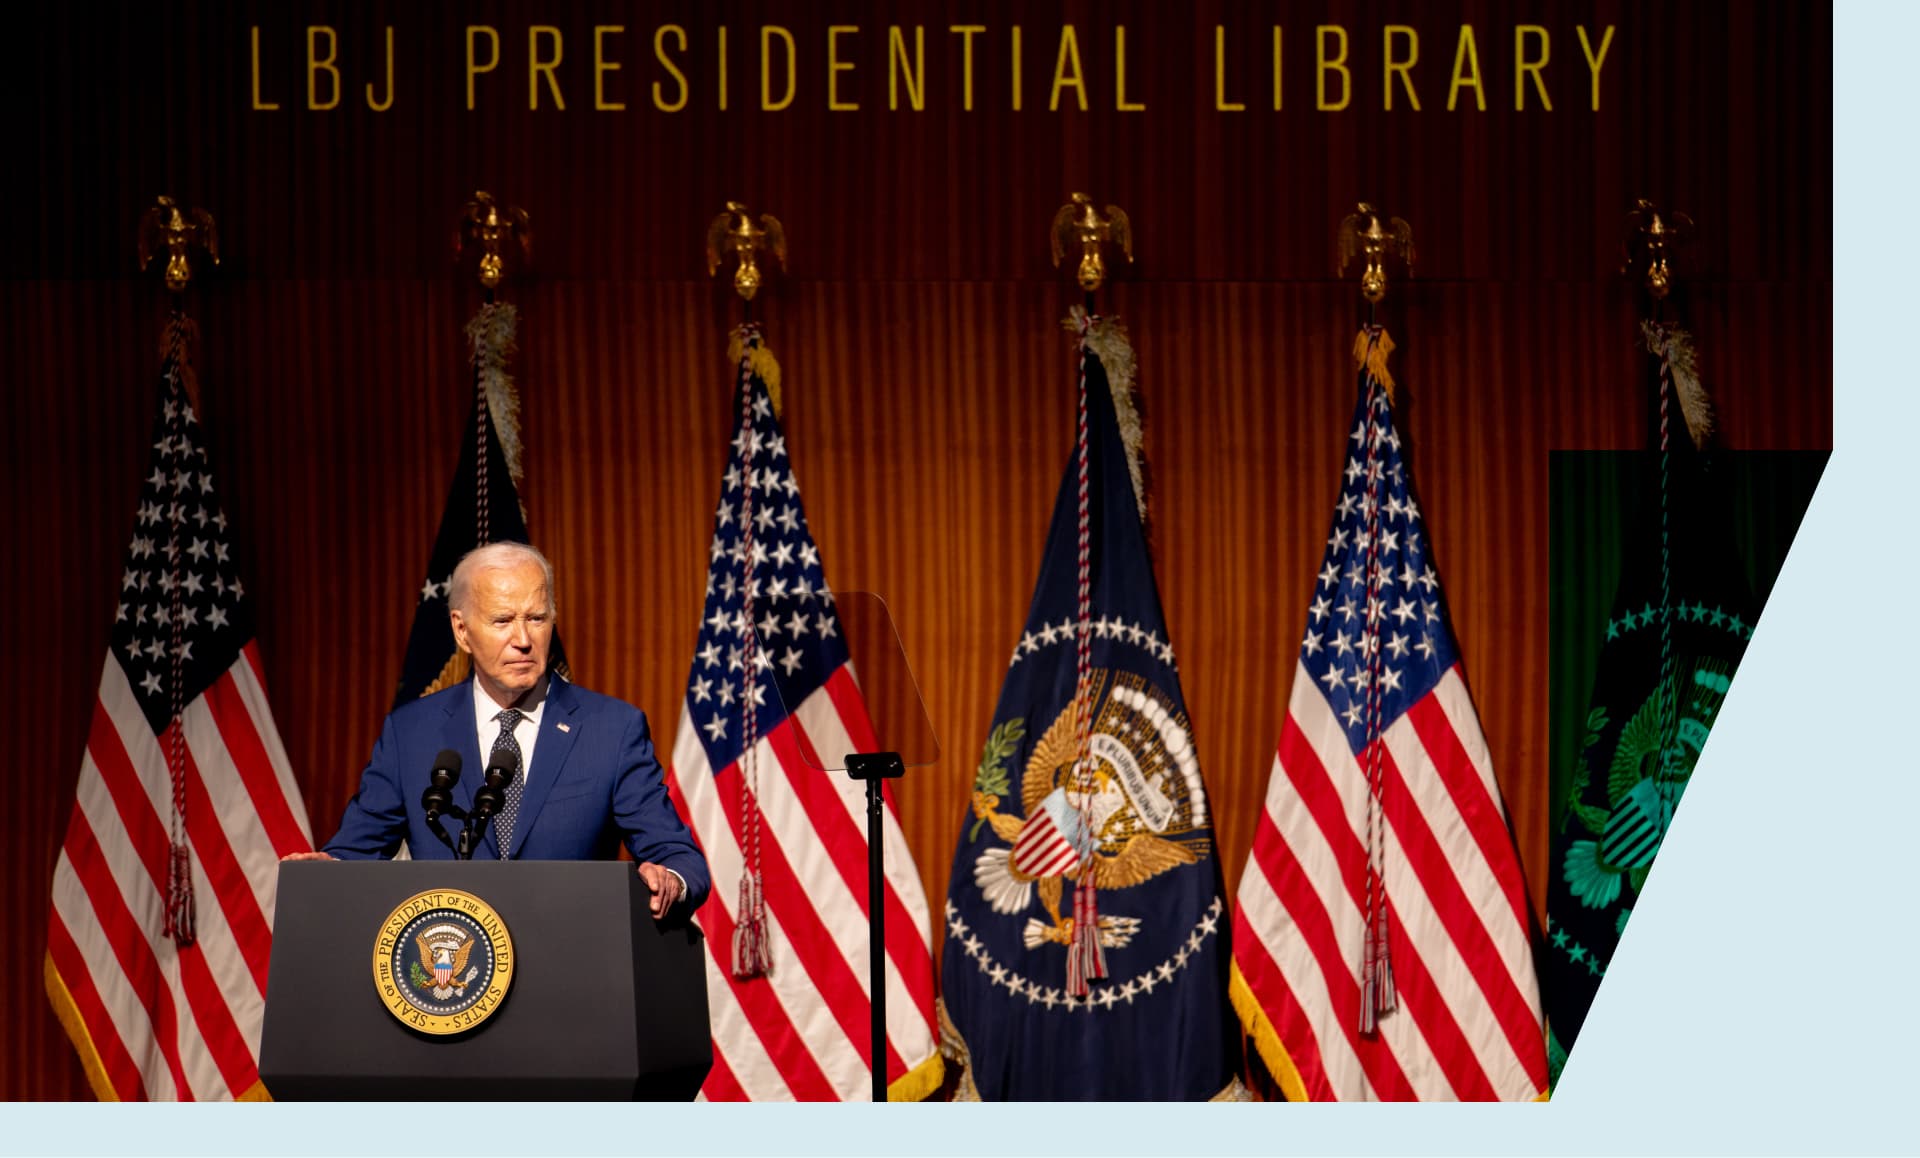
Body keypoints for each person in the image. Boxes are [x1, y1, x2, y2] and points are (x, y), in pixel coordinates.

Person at [285, 541, 708, 919]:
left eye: (537, 618)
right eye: (503, 620)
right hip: (449, 982)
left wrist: (670, 878)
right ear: (462, 630)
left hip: (573, 974)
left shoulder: (611, 729)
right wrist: (330, 873)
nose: (523, 639)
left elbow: (680, 858)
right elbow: (356, 851)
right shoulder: (410, 733)